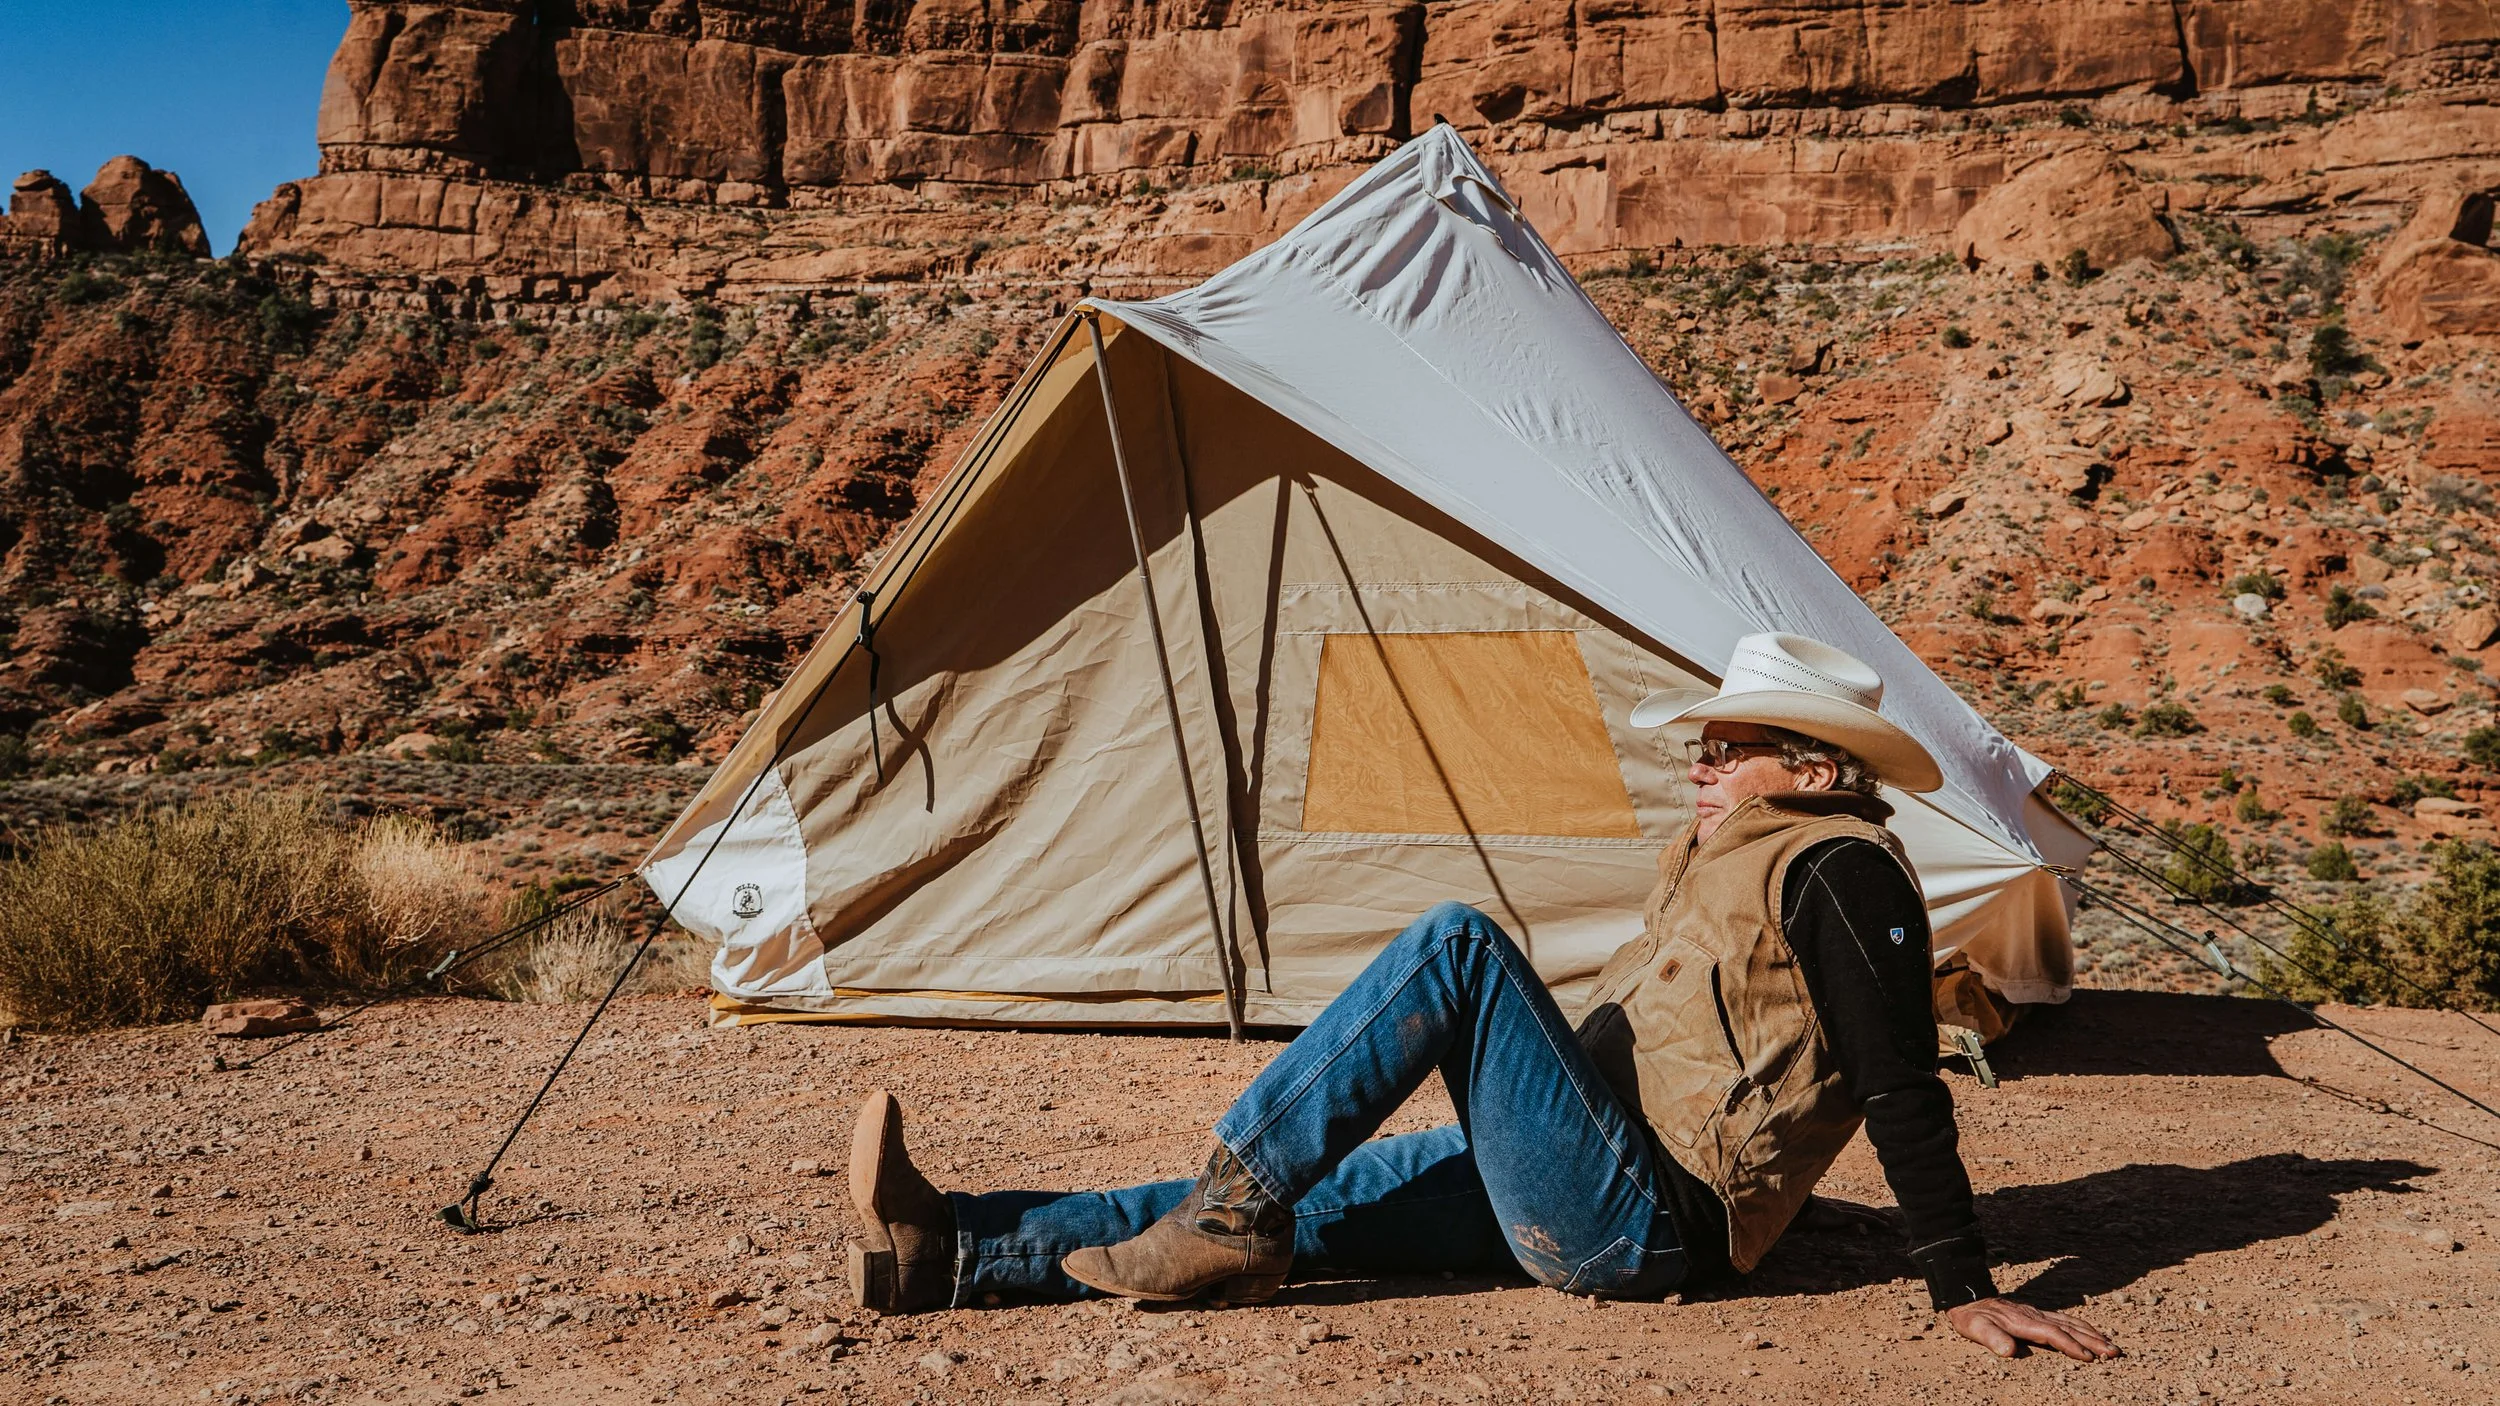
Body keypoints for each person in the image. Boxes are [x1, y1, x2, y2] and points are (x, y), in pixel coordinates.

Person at [844, 633, 2115, 1362]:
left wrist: (1960, 1279)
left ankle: (1230, 1211)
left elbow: (1899, 1076)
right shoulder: (1739, 855)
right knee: (1310, 1202)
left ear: (1815, 765)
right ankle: (949, 1249)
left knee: (1457, 944)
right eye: (1705, 745)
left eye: (1728, 750)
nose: (1701, 765)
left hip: (1644, 1219)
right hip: (1590, 1169)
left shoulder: (1839, 868)